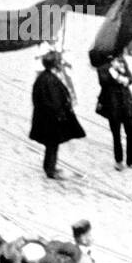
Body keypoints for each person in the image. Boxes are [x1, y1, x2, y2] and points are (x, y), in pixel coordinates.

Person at [30, 49, 85, 179]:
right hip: (51, 119)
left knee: (52, 144)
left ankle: (49, 166)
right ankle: (50, 169)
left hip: (45, 118)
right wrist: (61, 114)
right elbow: (55, 101)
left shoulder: (43, 77)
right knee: (52, 144)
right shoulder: (50, 80)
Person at [96, 54, 132, 170]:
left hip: (126, 102)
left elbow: (131, 78)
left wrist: (126, 78)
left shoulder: (121, 60)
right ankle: (119, 160)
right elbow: (103, 82)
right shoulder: (103, 65)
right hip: (113, 104)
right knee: (116, 133)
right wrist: (115, 73)